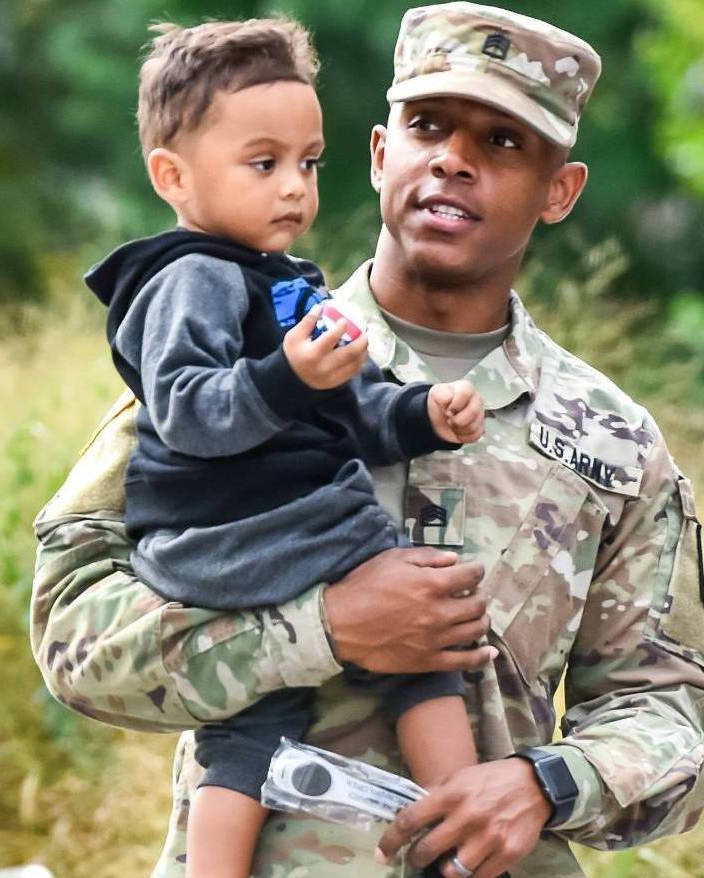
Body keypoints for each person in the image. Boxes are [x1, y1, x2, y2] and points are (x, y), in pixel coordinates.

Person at [30, 3, 704, 877]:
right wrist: (320, 629)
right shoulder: (234, 361)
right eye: (427, 126)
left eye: (503, 141)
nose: (453, 159)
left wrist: (544, 784)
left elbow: (672, 712)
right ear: (378, 153)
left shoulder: (613, 443)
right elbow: (72, 638)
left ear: (560, 191)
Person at [83, 17, 488, 878]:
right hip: (237, 529)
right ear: (172, 175)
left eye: (309, 164)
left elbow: (357, 405)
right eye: (263, 164)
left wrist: (423, 414)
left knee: (250, 730)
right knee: (422, 622)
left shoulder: (287, 283)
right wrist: (287, 376)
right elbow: (187, 410)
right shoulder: (190, 278)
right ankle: (464, 825)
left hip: (236, 545)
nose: (294, 189)